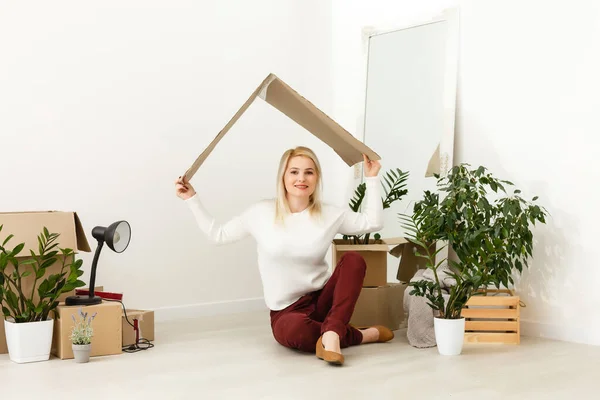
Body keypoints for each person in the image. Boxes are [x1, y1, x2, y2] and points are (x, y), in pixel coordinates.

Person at [175, 146, 394, 365]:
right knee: (297, 333)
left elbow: (373, 222)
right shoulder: (260, 212)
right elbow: (218, 235)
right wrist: (191, 198)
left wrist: (372, 178)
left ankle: (332, 334)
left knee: (354, 260)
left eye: (309, 172)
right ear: (283, 177)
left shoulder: (329, 214)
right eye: (294, 172)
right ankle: (361, 335)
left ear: (317, 177)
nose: (302, 178)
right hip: (286, 310)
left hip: (322, 300)